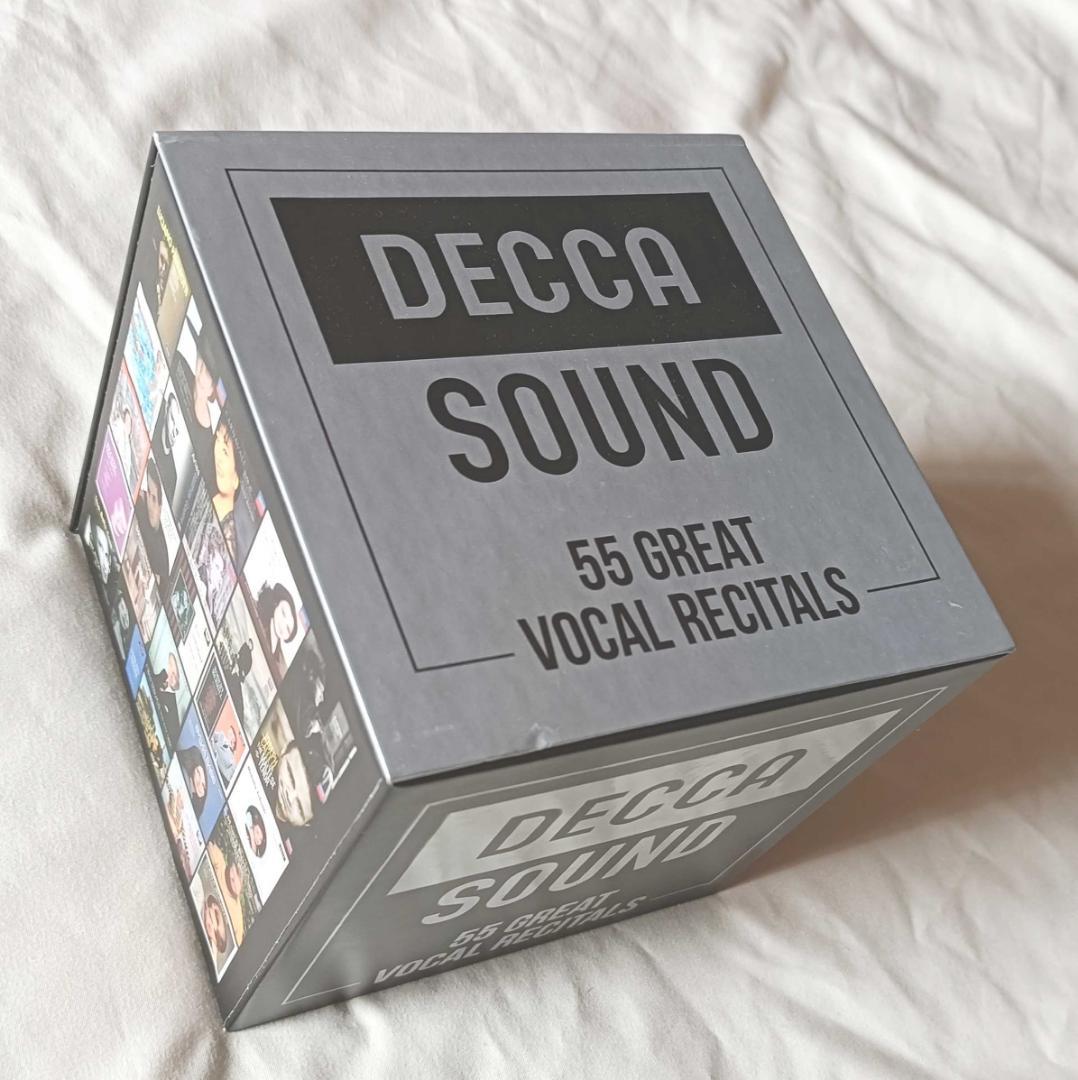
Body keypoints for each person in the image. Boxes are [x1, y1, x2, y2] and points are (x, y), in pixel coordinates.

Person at [207, 840, 256, 946]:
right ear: (232, 865)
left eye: (240, 878)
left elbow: (236, 945)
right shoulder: (219, 861)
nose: (235, 878)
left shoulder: (238, 918)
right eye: (237, 871)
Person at [135, 460, 169, 593]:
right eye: (148, 493)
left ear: (161, 506)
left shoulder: (163, 555)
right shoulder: (140, 505)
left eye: (154, 499)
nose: (150, 503)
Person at [255, 582, 298, 679]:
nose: (283, 625)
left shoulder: (283, 666)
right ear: (276, 604)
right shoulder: (255, 610)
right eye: (283, 613)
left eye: (288, 629)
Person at [177, 744, 209, 818]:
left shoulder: (196, 807)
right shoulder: (182, 772)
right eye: (198, 773)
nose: (199, 782)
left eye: (203, 785)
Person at [200, 892, 232, 965]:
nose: (213, 925)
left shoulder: (210, 958)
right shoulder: (200, 896)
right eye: (217, 918)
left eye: (216, 935)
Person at [210, 723, 239, 787]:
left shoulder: (232, 761)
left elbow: (229, 777)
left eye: (234, 742)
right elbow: (211, 735)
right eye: (230, 734)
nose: (232, 742)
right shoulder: (221, 737)